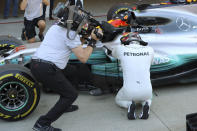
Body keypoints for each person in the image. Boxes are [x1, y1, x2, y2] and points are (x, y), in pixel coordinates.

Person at [30, 4, 103, 131]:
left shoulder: (56, 27)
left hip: (37, 63)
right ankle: (42, 124)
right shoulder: (71, 35)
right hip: (47, 68)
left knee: (72, 71)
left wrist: (85, 37)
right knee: (71, 95)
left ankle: (64, 105)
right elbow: (84, 58)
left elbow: (72, 44)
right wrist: (92, 41)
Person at [109, 32, 154, 120]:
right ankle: (146, 104)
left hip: (129, 91)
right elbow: (151, 63)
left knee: (118, 100)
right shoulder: (150, 49)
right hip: (147, 90)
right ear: (140, 41)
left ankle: (129, 104)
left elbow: (113, 54)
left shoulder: (120, 48)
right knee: (148, 98)